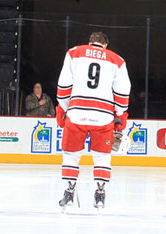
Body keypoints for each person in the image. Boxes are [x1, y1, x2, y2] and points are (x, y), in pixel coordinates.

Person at [56, 32, 131, 210]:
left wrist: (65, 108)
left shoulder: (74, 53)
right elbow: (122, 91)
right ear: (105, 45)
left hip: (77, 112)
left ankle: (69, 192)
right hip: (103, 115)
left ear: (90, 42)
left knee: (71, 155)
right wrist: (119, 116)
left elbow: (63, 86)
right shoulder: (117, 60)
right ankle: (100, 194)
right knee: (102, 156)